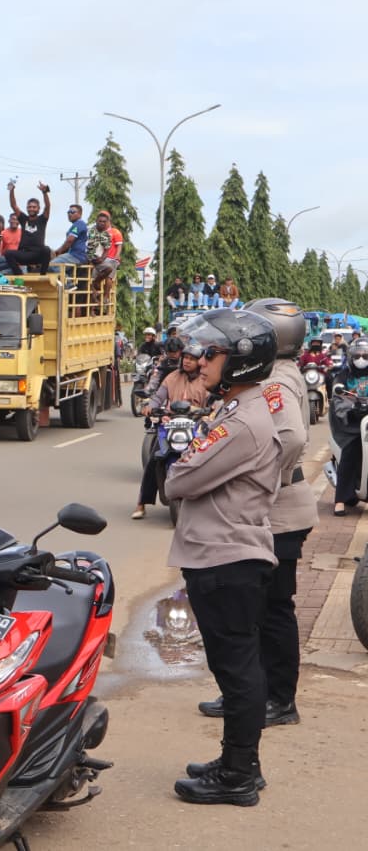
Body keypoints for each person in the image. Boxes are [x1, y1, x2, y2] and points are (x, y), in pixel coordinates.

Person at [167, 309, 281, 807]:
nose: (201, 361)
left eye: (212, 354)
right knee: (235, 666)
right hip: (224, 555)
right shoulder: (238, 409)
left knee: (237, 670)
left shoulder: (241, 422)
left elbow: (180, 479)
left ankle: (238, 774)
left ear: (239, 361)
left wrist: (183, 462)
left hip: (225, 559)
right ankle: (239, 763)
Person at [196, 300, 316, 729]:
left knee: (272, 610)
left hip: (280, 511)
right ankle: (250, 693)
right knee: (256, 611)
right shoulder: (276, 373)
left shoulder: (275, 380)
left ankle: (279, 699)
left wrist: (262, 478)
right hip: (277, 509)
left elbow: (291, 437)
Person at [131, 342, 213, 519]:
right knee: (154, 460)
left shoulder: (206, 379)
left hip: (197, 425)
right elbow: (158, 397)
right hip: (170, 424)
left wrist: (210, 412)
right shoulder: (172, 377)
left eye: (192, 359)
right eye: (186, 358)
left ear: (200, 362)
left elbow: (214, 402)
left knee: (211, 458)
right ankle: (141, 503)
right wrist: (150, 407)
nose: (187, 361)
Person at [331, 337, 368, 514]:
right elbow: (338, 397)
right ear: (351, 357)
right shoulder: (344, 375)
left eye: (365, 356)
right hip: (351, 425)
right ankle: (340, 500)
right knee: (350, 453)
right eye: (358, 355)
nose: (361, 359)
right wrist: (353, 407)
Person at [4, 181, 51, 273]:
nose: (31, 209)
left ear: (38, 209)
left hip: (38, 255)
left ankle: (43, 274)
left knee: (46, 250)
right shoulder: (23, 219)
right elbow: (13, 205)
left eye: (34, 207)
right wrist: (11, 190)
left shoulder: (42, 219)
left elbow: (47, 206)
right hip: (24, 254)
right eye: (29, 207)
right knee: (8, 253)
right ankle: (19, 274)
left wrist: (44, 192)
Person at [89, 210, 123, 311]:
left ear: (108, 220)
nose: (102, 222)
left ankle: (106, 297)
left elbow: (119, 246)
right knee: (93, 278)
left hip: (111, 259)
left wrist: (117, 257)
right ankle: (94, 305)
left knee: (109, 276)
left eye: (104, 220)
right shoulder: (96, 232)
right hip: (100, 259)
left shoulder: (115, 232)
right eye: (100, 220)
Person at [49, 203, 89, 269]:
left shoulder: (79, 224)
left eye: (72, 212)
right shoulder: (77, 225)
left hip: (76, 256)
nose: (70, 214)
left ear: (80, 214)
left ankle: (65, 277)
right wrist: (57, 252)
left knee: (51, 265)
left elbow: (69, 241)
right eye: (68, 212)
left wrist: (58, 252)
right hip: (74, 255)